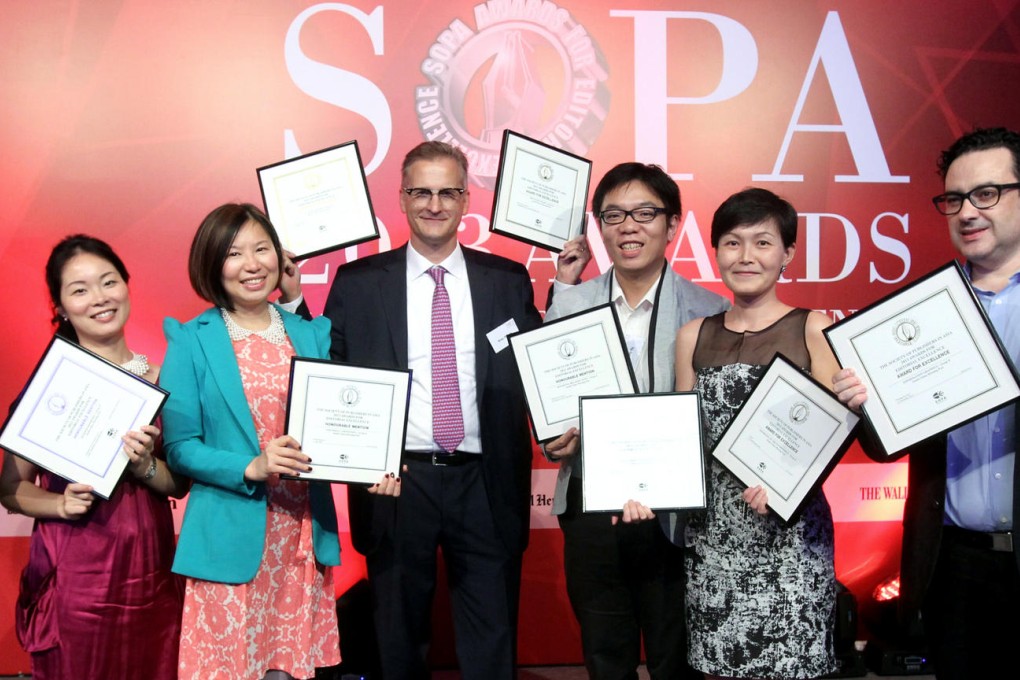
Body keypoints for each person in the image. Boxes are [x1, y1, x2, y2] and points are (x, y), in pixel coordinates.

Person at [322, 141, 581, 679]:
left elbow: (538, 366)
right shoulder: (358, 284)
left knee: (491, 644)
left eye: (447, 192)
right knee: (398, 642)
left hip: (485, 484)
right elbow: (332, 375)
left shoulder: (506, 280)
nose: (434, 204)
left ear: (467, 200)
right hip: (394, 482)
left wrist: (568, 289)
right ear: (401, 197)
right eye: (421, 192)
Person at [160, 203, 399, 680]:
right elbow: (180, 446)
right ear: (211, 262)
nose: (251, 264)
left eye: (261, 249)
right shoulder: (191, 338)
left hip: (300, 534)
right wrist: (250, 466)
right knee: (226, 670)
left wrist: (374, 464)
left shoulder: (309, 333)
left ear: (279, 256)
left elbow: (345, 417)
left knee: (286, 671)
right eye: (233, 253)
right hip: (230, 530)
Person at [833, 127, 1020, 679]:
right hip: (949, 563)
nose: (967, 211)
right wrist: (862, 403)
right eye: (954, 198)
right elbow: (883, 446)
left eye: (986, 193)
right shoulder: (927, 316)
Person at [632, 187, 841, 679]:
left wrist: (789, 486)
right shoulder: (693, 335)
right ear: (716, 251)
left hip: (791, 539)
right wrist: (643, 490)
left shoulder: (814, 327)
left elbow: (831, 434)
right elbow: (680, 441)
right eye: (732, 242)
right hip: (715, 540)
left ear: (788, 252)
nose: (746, 256)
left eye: (763, 243)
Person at [542, 162, 728, 680]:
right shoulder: (569, 303)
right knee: (605, 654)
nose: (629, 226)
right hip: (591, 507)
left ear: (671, 225)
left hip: (677, 515)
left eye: (645, 213)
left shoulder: (709, 309)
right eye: (614, 215)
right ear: (599, 226)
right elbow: (551, 403)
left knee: (677, 655)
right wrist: (555, 440)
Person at [0, 234, 187, 680]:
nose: (99, 299)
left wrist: (145, 465)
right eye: (79, 290)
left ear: (126, 285)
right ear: (61, 306)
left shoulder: (165, 381)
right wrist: (59, 504)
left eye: (108, 282)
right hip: (76, 578)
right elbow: (8, 489)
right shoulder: (50, 386)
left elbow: (179, 484)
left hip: (151, 571)